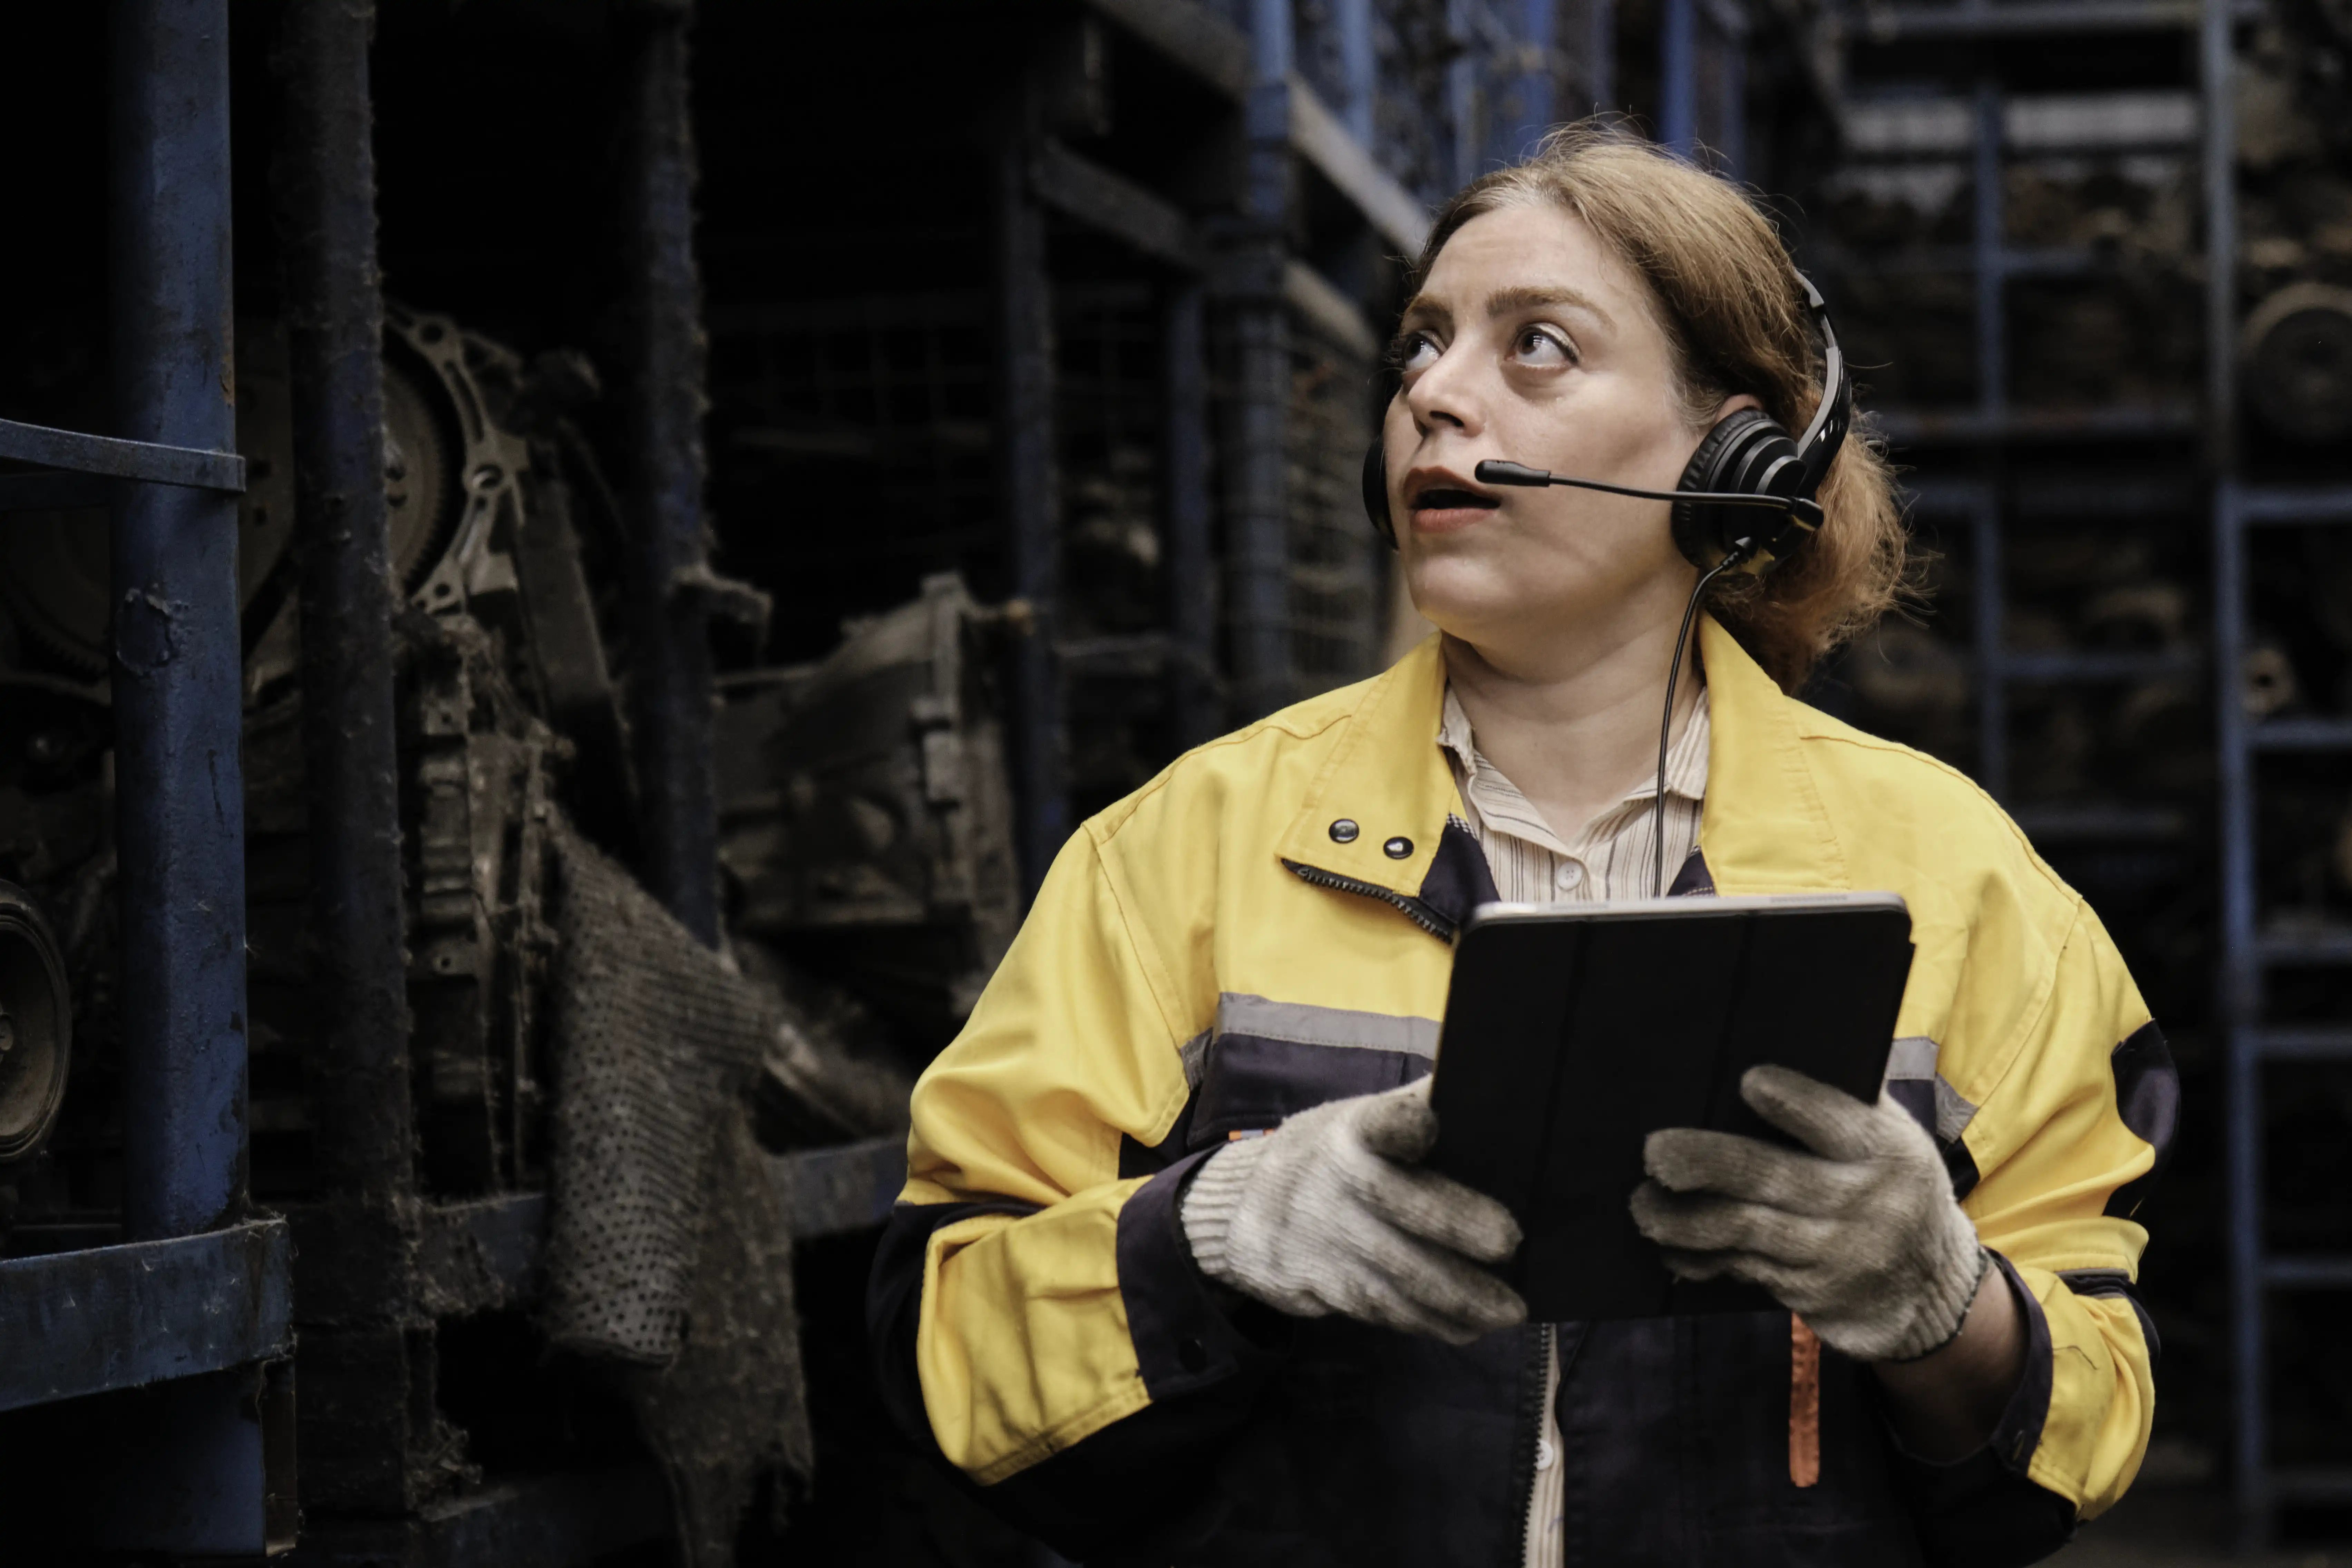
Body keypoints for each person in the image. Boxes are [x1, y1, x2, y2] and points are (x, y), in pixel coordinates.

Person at [867, 121, 2174, 1567]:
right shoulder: (1180, 855)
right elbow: (952, 1350)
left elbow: (2090, 1421)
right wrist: (1214, 1231)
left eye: (1535, 345)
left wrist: (1946, 1304)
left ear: (1732, 451)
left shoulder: (1962, 889)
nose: (1433, 391)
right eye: (1420, 343)